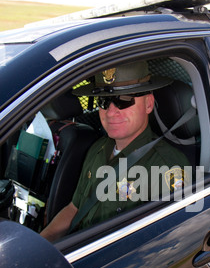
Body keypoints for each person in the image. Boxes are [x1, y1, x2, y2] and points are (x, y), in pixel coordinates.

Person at [41, 61, 190, 242]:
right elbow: (75, 208)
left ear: (148, 104)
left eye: (124, 100)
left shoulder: (169, 167)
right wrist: (38, 250)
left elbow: (169, 244)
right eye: (104, 101)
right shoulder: (98, 148)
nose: (111, 112)